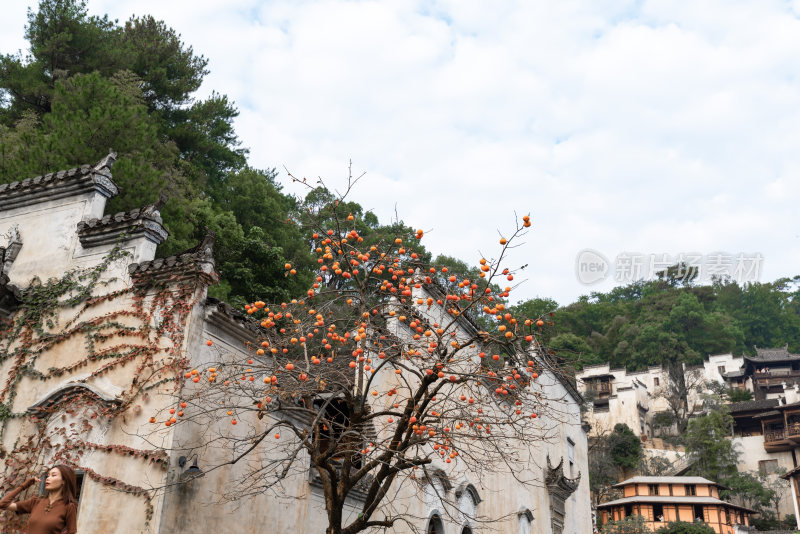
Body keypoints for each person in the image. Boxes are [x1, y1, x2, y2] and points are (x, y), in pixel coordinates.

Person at [0, 465, 78, 534]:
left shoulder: (69, 506)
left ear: (64, 481)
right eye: (48, 475)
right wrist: (24, 485)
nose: (48, 478)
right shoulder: (35, 502)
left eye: (53, 475)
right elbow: (3, 504)